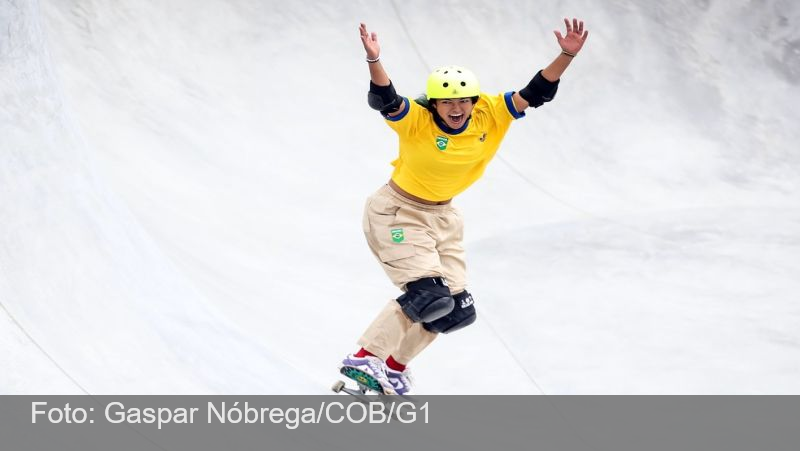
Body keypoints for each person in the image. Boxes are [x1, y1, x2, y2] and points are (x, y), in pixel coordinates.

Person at [341, 19, 589, 394]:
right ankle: (364, 358)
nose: (455, 109)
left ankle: (393, 367)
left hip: (444, 218)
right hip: (398, 212)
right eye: (447, 103)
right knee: (428, 296)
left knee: (456, 310)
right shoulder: (417, 121)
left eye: (462, 101)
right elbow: (385, 100)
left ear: (473, 102)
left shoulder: (491, 112)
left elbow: (536, 91)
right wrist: (375, 61)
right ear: (435, 104)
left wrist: (566, 54)